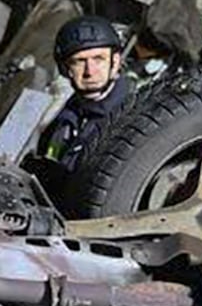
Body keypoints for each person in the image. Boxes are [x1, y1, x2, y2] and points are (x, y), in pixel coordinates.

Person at [36, 14, 133, 181]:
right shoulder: (68, 113)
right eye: (79, 61)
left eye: (98, 59)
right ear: (65, 69)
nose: (90, 71)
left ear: (115, 62)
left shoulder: (130, 117)